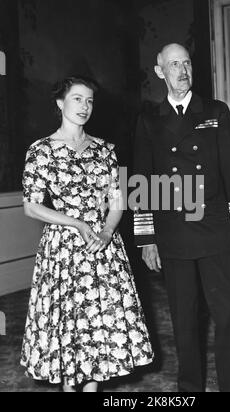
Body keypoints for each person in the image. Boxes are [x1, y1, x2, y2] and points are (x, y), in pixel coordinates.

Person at [134, 44, 230, 392]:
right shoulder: (148, 120)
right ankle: (189, 389)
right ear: (160, 72)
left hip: (216, 225)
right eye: (174, 64)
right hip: (173, 232)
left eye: (187, 62)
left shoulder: (215, 111)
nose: (182, 70)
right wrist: (147, 238)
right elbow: (143, 180)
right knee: (184, 318)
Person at [21, 76, 154, 392]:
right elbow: (31, 207)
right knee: (70, 327)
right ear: (60, 102)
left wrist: (107, 230)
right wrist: (78, 224)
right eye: (77, 99)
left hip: (103, 248)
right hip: (64, 250)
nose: (84, 106)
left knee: (98, 328)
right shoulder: (41, 151)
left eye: (90, 100)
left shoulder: (107, 150)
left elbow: (118, 200)